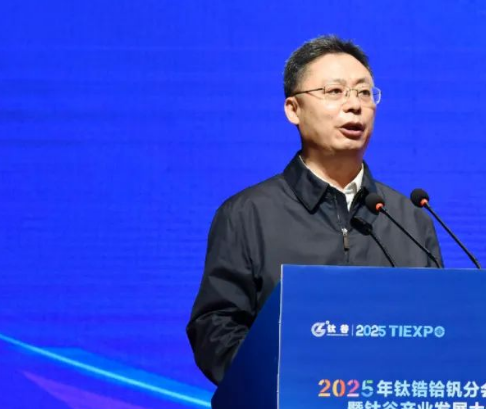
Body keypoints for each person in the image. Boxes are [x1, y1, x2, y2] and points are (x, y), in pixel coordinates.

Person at [187, 35, 443, 385]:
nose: (354, 105)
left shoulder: (409, 219)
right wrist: (288, 383)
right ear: (293, 109)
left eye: (364, 92)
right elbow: (216, 328)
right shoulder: (247, 214)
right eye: (334, 91)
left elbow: (438, 328)